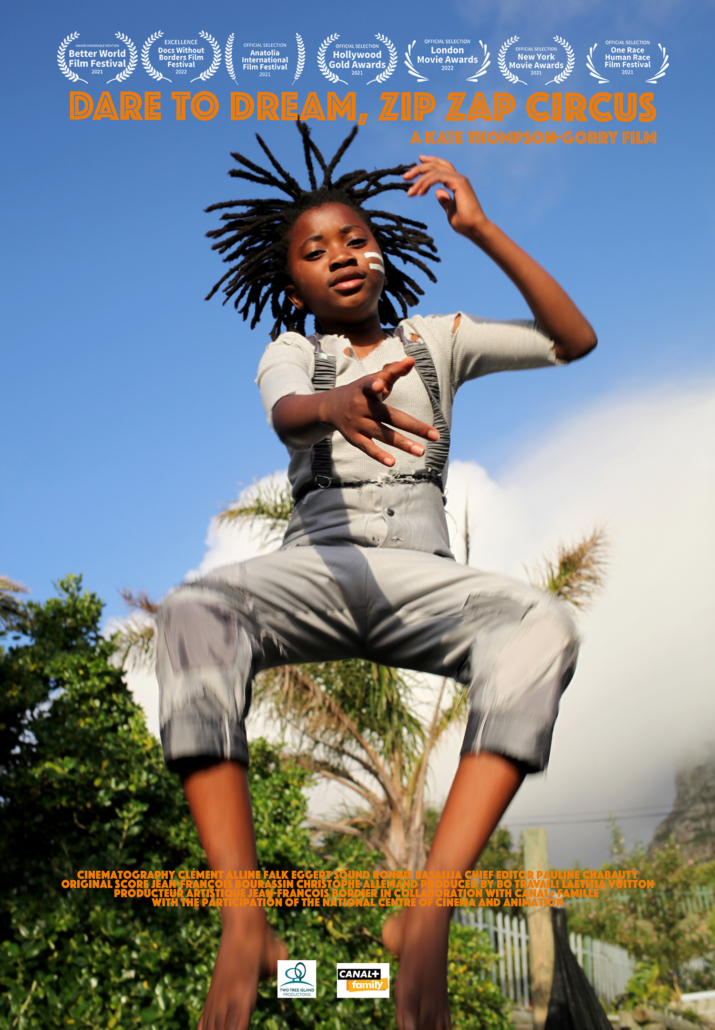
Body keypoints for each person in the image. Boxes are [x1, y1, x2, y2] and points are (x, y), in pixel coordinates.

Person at [155, 122, 597, 1030]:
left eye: (356, 238)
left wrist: (480, 228)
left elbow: (572, 339)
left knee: (544, 625)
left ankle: (425, 915)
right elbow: (288, 414)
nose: (342, 257)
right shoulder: (291, 350)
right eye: (316, 251)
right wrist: (335, 404)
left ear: (386, 252)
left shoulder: (438, 340)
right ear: (293, 283)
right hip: (315, 566)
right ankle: (245, 920)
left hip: (417, 580)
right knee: (196, 611)